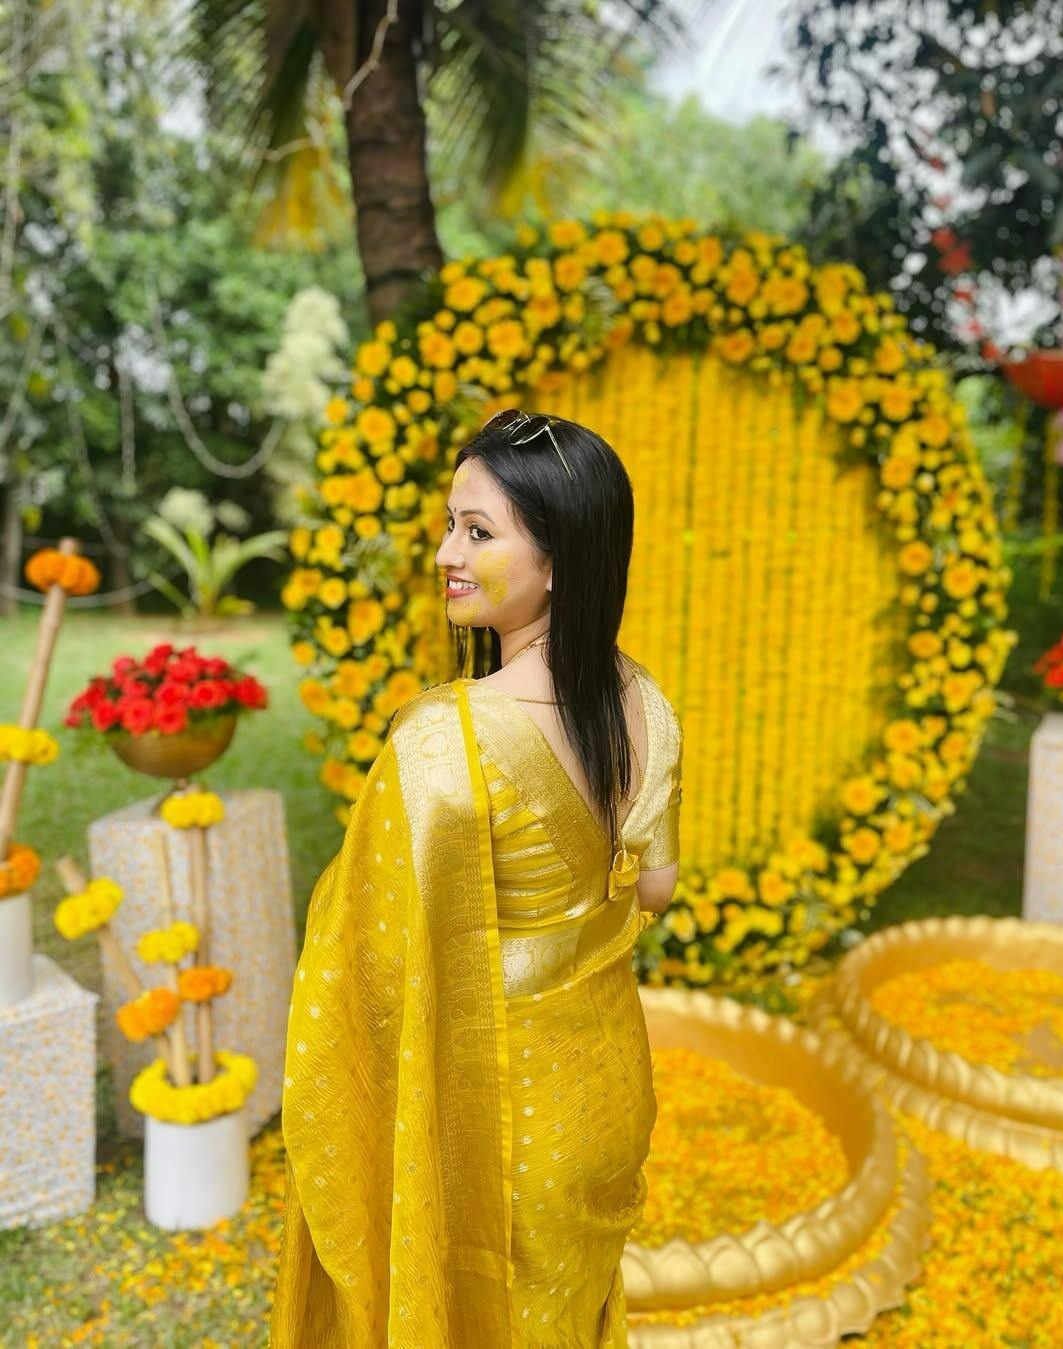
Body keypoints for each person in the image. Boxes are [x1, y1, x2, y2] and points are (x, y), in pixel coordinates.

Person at [269, 409, 683, 1347]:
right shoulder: (646, 703)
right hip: (603, 1093)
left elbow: (371, 962)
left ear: (560, 559)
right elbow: (653, 888)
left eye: (479, 531)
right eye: (451, 525)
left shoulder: (441, 742)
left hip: (498, 1121)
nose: (447, 553)